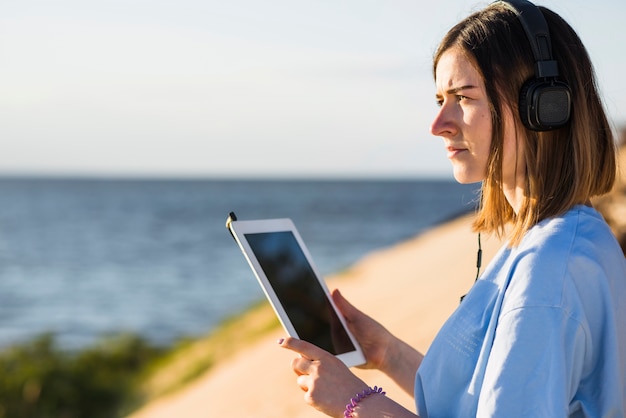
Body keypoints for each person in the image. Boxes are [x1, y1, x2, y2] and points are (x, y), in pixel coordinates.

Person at [278, 1, 626, 417]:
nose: (438, 122)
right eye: (441, 98)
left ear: (544, 108)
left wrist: (355, 402)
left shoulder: (549, 271)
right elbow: (493, 397)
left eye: (462, 97)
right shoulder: (573, 236)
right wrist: (388, 353)